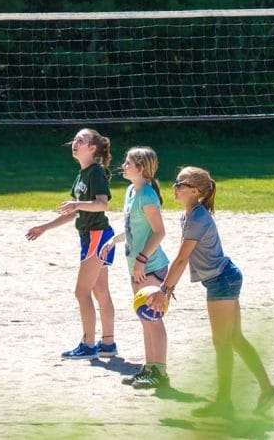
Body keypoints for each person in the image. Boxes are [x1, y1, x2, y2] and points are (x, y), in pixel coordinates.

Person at [149, 166, 274, 418]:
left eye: (180, 183)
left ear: (194, 191)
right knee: (234, 339)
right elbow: (182, 259)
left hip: (222, 280)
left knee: (222, 343)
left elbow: (180, 260)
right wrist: (169, 287)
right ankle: (267, 390)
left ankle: (224, 402)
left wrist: (164, 289)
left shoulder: (198, 218)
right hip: (225, 277)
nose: (174, 187)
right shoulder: (189, 216)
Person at [24, 128, 117, 360]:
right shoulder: (81, 175)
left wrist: (77, 205)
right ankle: (108, 344)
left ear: (92, 148)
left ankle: (88, 345)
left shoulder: (95, 172)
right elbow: (75, 211)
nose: (75, 144)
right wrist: (44, 227)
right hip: (93, 236)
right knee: (100, 291)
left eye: (81, 140)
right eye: (75, 140)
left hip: (97, 235)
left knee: (81, 291)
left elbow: (101, 204)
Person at [116, 147, 173, 389]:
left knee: (154, 319)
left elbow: (160, 232)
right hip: (137, 267)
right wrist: (113, 240)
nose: (124, 165)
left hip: (150, 267)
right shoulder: (131, 191)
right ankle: (149, 368)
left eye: (128, 163)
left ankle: (160, 372)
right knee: (145, 319)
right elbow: (133, 229)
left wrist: (141, 259)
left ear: (140, 168)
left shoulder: (147, 195)